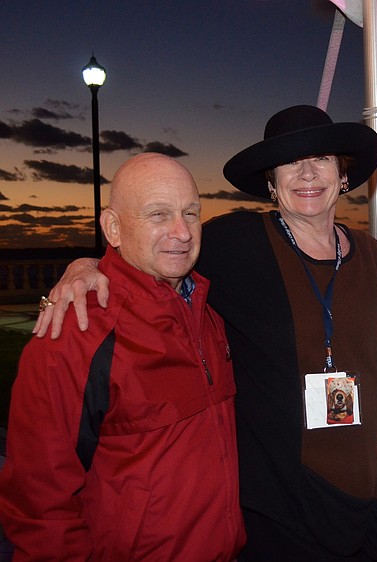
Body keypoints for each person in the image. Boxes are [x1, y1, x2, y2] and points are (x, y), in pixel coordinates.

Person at [33, 106, 377, 560]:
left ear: (343, 174)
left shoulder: (375, 256)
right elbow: (150, 252)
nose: (307, 172)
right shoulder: (233, 243)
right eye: (290, 161)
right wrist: (83, 266)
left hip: (372, 505)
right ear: (270, 181)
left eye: (321, 158)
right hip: (280, 515)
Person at [0, 153, 246, 560]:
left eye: (191, 213)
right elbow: (38, 503)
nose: (182, 232)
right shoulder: (74, 333)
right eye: (157, 214)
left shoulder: (210, 311)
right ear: (113, 227)